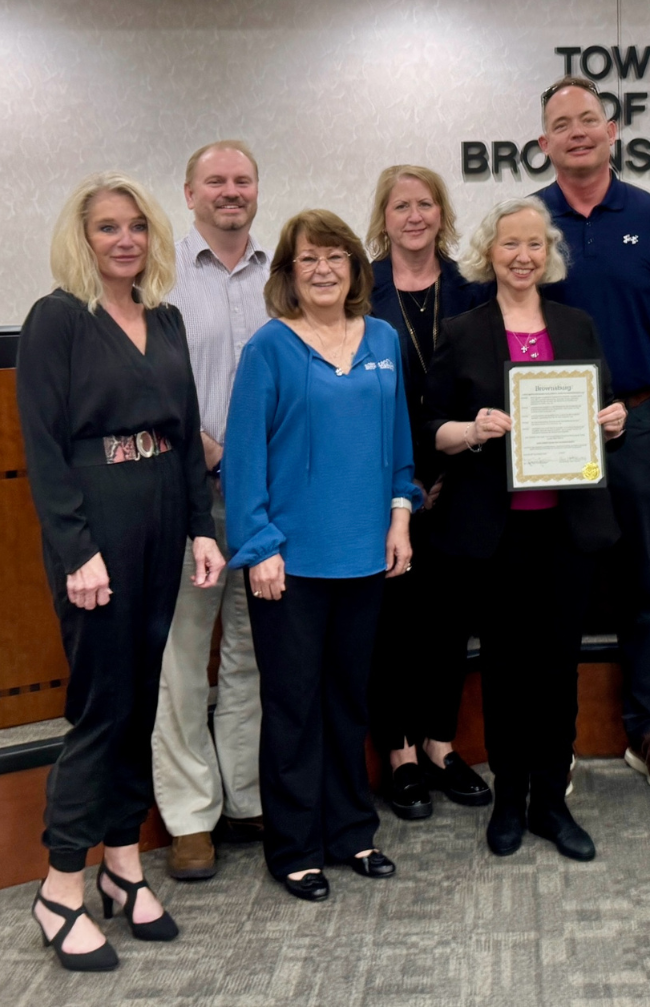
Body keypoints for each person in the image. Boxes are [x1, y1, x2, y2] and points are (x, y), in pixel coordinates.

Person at [17, 172, 224, 970]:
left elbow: (180, 435)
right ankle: (60, 885)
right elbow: (44, 449)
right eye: (108, 228)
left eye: (137, 226)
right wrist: (77, 550)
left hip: (162, 520)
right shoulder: (57, 320)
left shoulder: (166, 320)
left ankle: (123, 863)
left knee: (143, 701)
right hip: (94, 530)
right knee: (103, 709)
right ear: (84, 238)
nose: (125, 239)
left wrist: (200, 531)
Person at [223, 209, 420, 901]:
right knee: (294, 708)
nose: (325, 269)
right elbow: (244, 460)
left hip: (366, 557)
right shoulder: (269, 349)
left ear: (356, 268)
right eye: (309, 259)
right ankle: (296, 847)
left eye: (336, 256)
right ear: (288, 273)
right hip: (289, 565)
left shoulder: (385, 340)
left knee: (348, 704)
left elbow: (399, 448)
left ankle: (352, 833)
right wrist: (260, 547)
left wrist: (401, 518)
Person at [422, 197, 626, 861]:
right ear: (490, 253)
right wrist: (473, 431)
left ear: (549, 255)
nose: (522, 256)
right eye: (510, 244)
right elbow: (431, 433)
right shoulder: (460, 331)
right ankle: (508, 798)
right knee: (508, 668)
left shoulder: (578, 325)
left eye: (534, 245)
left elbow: (599, 412)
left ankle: (552, 801)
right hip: (495, 531)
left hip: (566, 530)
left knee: (557, 668)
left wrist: (613, 424)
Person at [535, 76, 650, 793]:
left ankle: (648, 732)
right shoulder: (526, 222)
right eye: (561, 124)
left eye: (588, 120)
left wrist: (639, 398)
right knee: (555, 589)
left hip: (637, 417)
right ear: (543, 144)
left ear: (612, 131)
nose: (576, 131)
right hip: (550, 427)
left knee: (644, 584)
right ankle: (552, 742)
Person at [151, 140, 270, 882]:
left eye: (243, 180)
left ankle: (245, 796)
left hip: (263, 502)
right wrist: (201, 443)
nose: (231, 192)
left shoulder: (282, 273)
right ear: (189, 191)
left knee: (251, 655)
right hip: (186, 498)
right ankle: (190, 817)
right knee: (183, 660)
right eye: (216, 181)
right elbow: (143, 374)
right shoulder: (160, 276)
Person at [366, 164, 492, 820]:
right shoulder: (360, 291)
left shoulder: (471, 290)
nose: (415, 216)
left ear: (442, 213)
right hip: (383, 483)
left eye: (426, 204)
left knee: (448, 622)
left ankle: (441, 746)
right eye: (401, 205)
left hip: (461, 476)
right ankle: (400, 755)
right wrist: (407, 484)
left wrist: (446, 469)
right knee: (393, 626)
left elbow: (486, 384)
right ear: (381, 218)